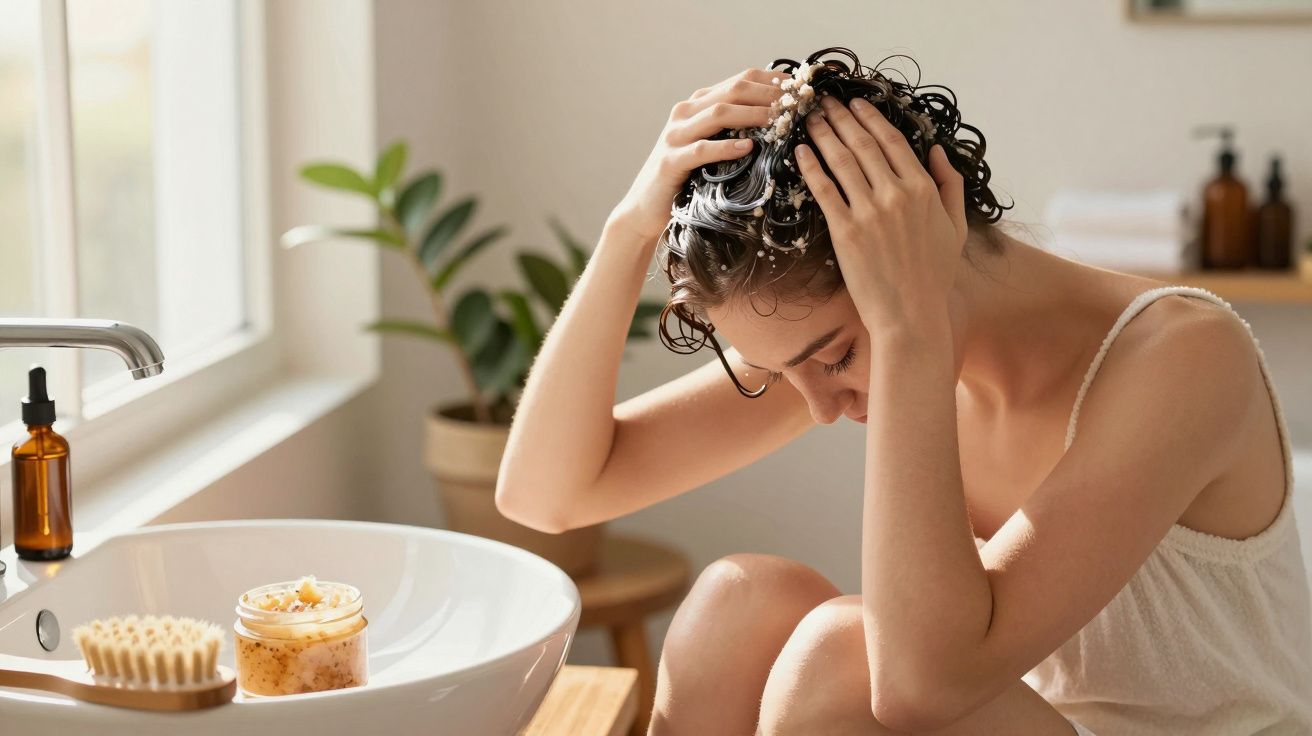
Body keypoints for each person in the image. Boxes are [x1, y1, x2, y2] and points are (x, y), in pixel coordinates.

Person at [495, 47, 1312, 735]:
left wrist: (906, 332)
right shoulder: (867, 338)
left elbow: (921, 683)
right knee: (734, 607)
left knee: (843, 658)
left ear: (926, 238)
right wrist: (630, 226)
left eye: (835, 356)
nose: (818, 404)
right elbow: (546, 494)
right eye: (788, 372)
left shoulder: (1183, 357)